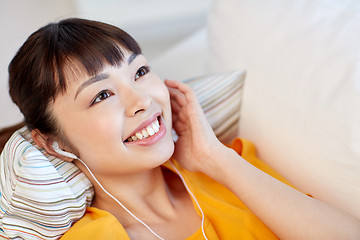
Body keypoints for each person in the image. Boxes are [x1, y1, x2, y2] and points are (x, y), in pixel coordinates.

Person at [1, 18, 360, 240]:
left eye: (140, 72)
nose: (141, 99)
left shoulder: (230, 168)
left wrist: (213, 158)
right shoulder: (95, 236)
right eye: (103, 94)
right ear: (53, 144)